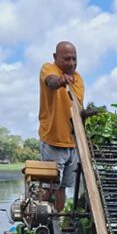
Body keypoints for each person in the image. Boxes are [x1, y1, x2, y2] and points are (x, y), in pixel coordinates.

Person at [38, 41, 84, 212]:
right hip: (53, 140)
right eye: (66, 59)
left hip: (72, 143)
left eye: (74, 59)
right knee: (49, 186)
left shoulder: (78, 79)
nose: (71, 63)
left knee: (62, 188)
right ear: (55, 57)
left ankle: (56, 219)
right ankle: (43, 219)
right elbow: (50, 82)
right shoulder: (48, 69)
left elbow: (77, 109)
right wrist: (60, 81)